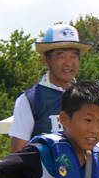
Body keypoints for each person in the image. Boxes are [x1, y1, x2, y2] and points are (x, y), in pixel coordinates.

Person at [9, 24, 92, 153]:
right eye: (62, 56)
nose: (69, 63)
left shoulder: (89, 97)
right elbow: (18, 153)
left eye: (73, 56)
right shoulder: (29, 100)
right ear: (46, 61)